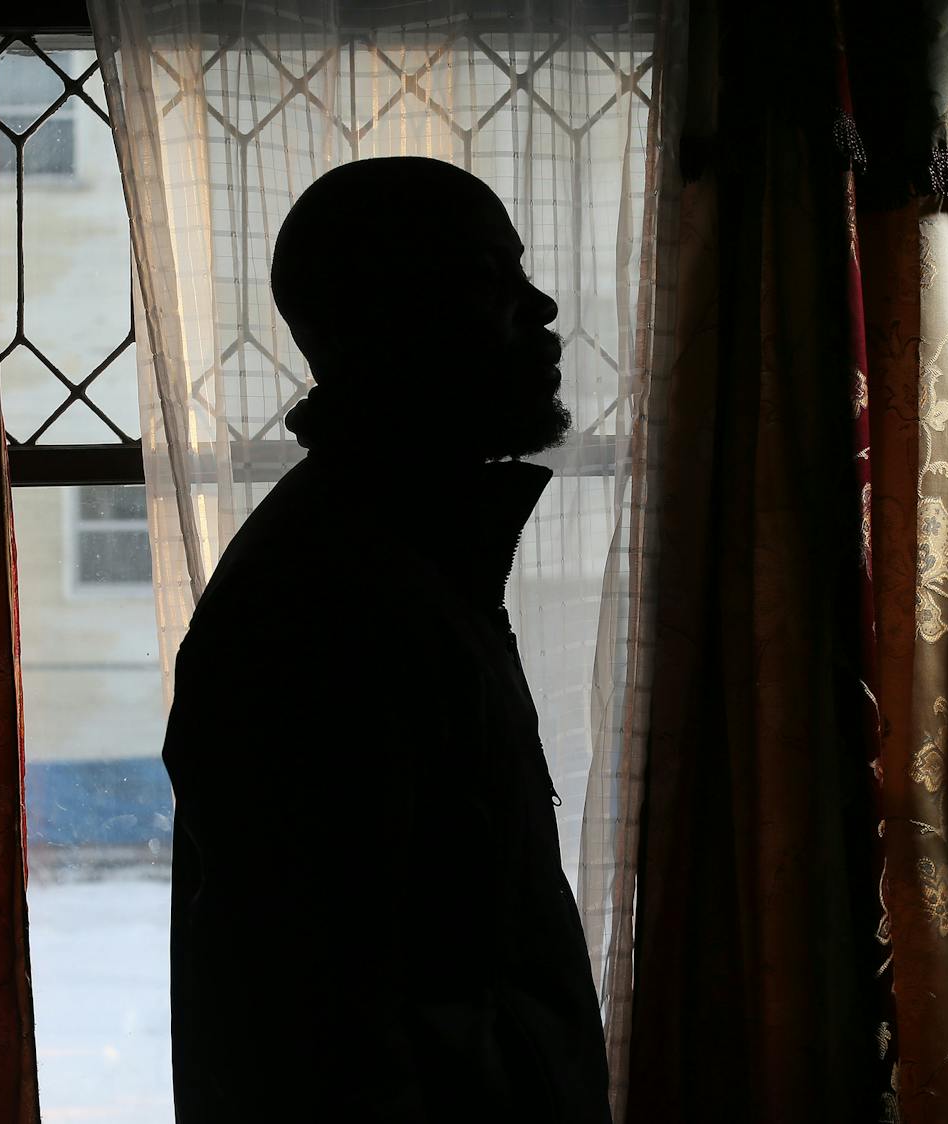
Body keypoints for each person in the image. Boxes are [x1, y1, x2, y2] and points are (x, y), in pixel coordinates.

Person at [161, 157, 611, 1122]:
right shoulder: (322, 603)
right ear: (384, 316)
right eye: (492, 277)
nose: (540, 306)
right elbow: (318, 1022)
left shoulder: (402, 554)